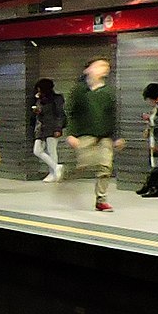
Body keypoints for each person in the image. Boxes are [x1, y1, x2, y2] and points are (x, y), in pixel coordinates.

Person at [66, 57, 122, 212]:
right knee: (84, 164)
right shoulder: (79, 91)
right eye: (99, 65)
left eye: (106, 66)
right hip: (85, 135)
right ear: (88, 69)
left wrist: (116, 137)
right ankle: (66, 173)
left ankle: (101, 200)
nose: (104, 69)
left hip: (104, 137)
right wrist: (71, 134)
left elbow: (113, 115)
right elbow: (71, 113)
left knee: (105, 167)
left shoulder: (108, 92)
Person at [31, 78, 66, 182]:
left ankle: (53, 173)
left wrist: (58, 128)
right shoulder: (39, 99)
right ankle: (56, 167)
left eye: (40, 89)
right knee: (37, 150)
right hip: (41, 128)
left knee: (52, 151)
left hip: (52, 127)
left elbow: (60, 114)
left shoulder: (56, 99)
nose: (38, 92)